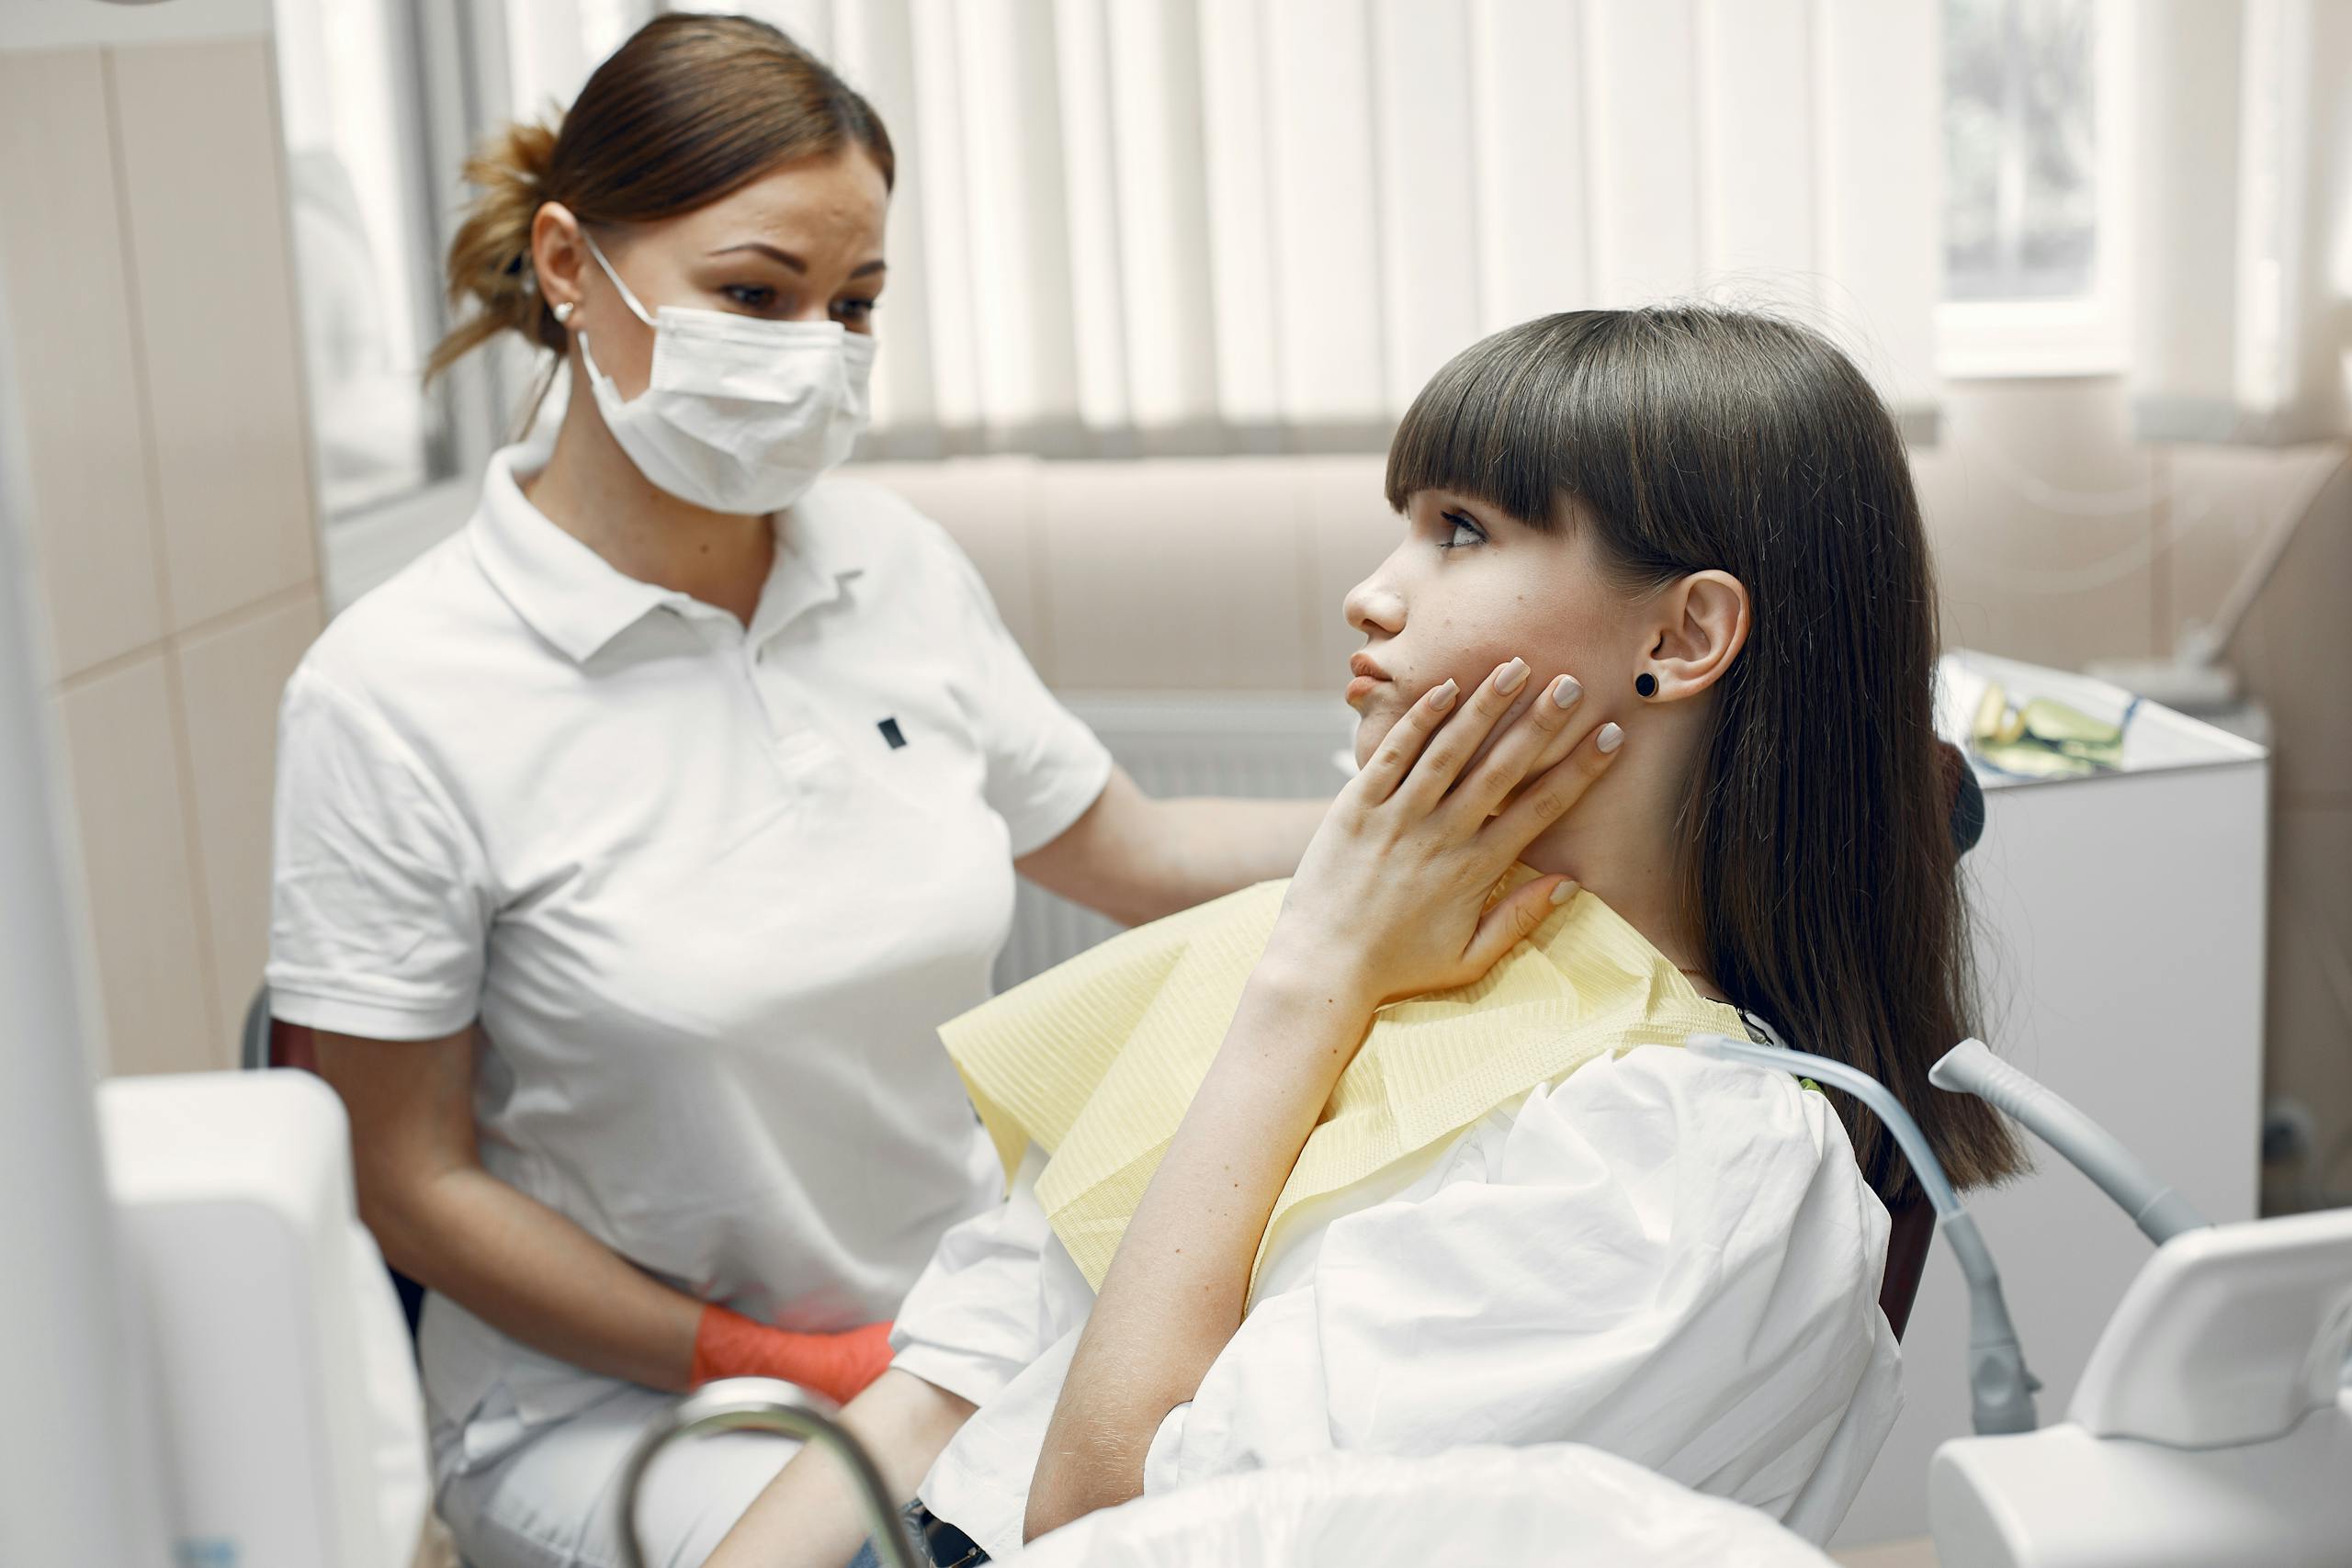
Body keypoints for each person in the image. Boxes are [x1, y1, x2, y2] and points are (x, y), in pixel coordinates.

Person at [704, 308, 2029, 1567]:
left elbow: (1105, 1534)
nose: (1371, 597)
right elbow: (953, 1378)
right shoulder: (1355, 934)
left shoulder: (1677, 1157)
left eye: (1460, 531)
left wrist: (1305, 996)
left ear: (1683, 635)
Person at [265, 16, 1328, 1568]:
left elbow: (1137, 850)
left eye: (856, 304)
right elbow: (406, 1182)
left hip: (948, 1337)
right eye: (755, 296)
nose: (815, 350)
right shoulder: (395, 693)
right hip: (627, 1409)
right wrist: (789, 1367)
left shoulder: (891, 567)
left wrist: (1438, 820)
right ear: (570, 267)